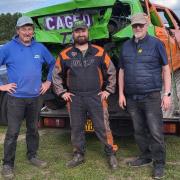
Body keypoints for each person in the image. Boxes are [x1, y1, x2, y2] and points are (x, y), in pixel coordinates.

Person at [52, 20, 118, 169]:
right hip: (75, 98)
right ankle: (78, 154)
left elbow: (111, 72)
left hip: (96, 96)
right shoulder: (65, 55)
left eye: (83, 31)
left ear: (88, 32)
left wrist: (108, 90)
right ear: (73, 34)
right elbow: (55, 75)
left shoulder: (99, 52)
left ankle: (111, 154)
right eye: (77, 31)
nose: (80, 34)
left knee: (103, 127)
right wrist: (62, 93)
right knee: (76, 128)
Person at [0, 16, 55, 179]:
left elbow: (52, 63)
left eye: (30, 29)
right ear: (17, 31)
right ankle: (8, 164)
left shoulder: (39, 47)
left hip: (35, 97)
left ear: (33, 31)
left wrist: (48, 82)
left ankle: (32, 156)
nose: (27, 32)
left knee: (33, 129)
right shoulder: (8, 48)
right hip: (16, 98)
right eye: (23, 29)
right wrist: (2, 86)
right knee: (13, 132)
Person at [118, 13, 171, 179]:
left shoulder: (156, 44)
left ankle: (159, 163)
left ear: (146, 25)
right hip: (132, 97)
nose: (138, 28)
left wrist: (167, 94)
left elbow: (166, 69)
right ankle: (146, 156)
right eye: (135, 25)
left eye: (141, 25)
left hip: (151, 96)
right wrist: (120, 93)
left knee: (155, 132)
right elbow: (121, 71)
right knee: (139, 130)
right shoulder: (125, 46)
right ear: (131, 27)